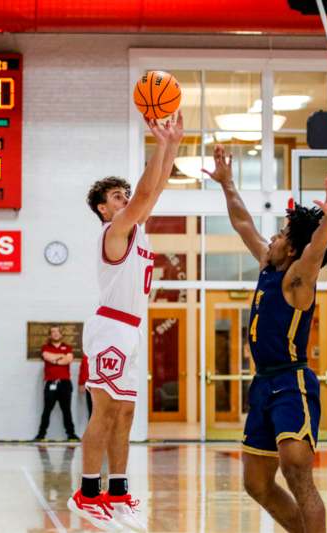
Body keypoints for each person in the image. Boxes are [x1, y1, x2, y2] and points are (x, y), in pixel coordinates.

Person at [205, 144, 327, 533]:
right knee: (257, 483)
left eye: (282, 233)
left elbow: (315, 254)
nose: (274, 236)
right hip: (263, 383)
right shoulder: (268, 264)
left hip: (291, 382)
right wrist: (228, 183)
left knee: (297, 473)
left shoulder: (298, 278)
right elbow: (243, 223)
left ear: (293, 247)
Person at [67, 112, 183, 532]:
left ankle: (116, 491)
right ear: (103, 208)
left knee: (126, 414)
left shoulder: (138, 229)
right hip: (111, 327)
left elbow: (154, 191)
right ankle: (86, 491)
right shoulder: (113, 231)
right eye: (117, 196)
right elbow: (148, 190)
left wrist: (172, 145)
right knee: (105, 410)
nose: (125, 199)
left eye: (124, 195)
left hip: (131, 327)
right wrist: (160, 146)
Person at [34, 325, 79, 441]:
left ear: (61, 334)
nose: (55, 334)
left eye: (57, 332)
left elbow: (69, 359)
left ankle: (71, 434)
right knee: (47, 410)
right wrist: (60, 357)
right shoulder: (45, 347)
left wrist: (55, 360)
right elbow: (46, 356)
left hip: (65, 383)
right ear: (50, 335)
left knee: (67, 410)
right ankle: (41, 435)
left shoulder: (67, 347)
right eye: (53, 332)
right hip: (50, 383)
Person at [79, 354, 93, 419]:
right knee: (91, 411)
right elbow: (83, 369)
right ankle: (93, 429)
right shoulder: (87, 356)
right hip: (90, 388)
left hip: (103, 389)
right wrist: (81, 383)